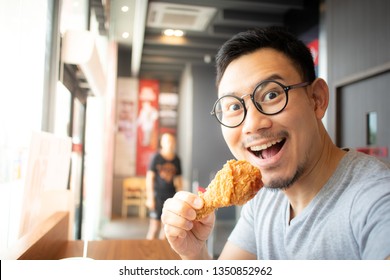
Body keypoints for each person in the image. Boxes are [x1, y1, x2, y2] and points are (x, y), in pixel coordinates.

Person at [161, 26, 390, 259]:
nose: (252, 124)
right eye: (234, 107)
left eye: (272, 95)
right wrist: (195, 254)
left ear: (317, 99)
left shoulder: (377, 201)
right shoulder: (263, 198)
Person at [146, 133, 183, 239]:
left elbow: (179, 180)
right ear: (162, 143)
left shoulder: (177, 160)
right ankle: (146, 253)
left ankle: (160, 254)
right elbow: (149, 178)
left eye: (172, 141)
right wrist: (150, 198)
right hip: (157, 196)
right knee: (154, 227)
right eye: (167, 141)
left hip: (171, 196)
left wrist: (180, 198)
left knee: (166, 228)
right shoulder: (156, 158)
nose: (170, 144)